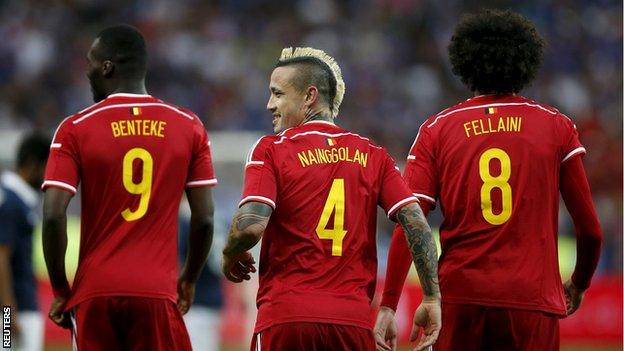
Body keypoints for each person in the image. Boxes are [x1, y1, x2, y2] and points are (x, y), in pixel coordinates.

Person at [375, 9, 603, 351]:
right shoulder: (556, 126)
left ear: (464, 64)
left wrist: (390, 302)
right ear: (526, 61)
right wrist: (579, 282)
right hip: (532, 300)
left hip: (460, 299)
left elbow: (410, 223)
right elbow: (590, 230)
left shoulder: (438, 128)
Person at [221, 47, 441, 351]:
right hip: (352, 323)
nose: (270, 104)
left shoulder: (272, 149)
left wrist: (230, 251)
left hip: (287, 318)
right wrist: (431, 296)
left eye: (278, 94)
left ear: (310, 96)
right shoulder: (373, 155)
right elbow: (416, 221)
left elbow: (249, 226)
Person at [41, 24, 216, 351]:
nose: (87, 71)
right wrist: (189, 279)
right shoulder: (188, 125)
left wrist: (61, 289)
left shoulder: (75, 128)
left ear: (107, 67)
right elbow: (204, 217)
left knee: (5, 338)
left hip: (96, 292)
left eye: (91, 62)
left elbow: (52, 215)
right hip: (157, 291)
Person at [0, 133, 50, 351]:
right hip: (16, 311)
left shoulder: (16, 199)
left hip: (17, 308)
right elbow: (1, 255)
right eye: (46, 167)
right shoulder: (12, 202)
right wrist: (8, 311)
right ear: (32, 164)